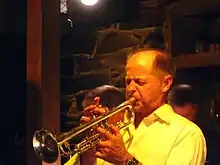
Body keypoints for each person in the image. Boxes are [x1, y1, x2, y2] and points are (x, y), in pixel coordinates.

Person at [66, 48, 207, 165]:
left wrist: (125, 160)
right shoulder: (116, 128)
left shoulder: (187, 134)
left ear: (166, 83)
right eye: (128, 81)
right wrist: (89, 149)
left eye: (140, 82)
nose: (130, 88)